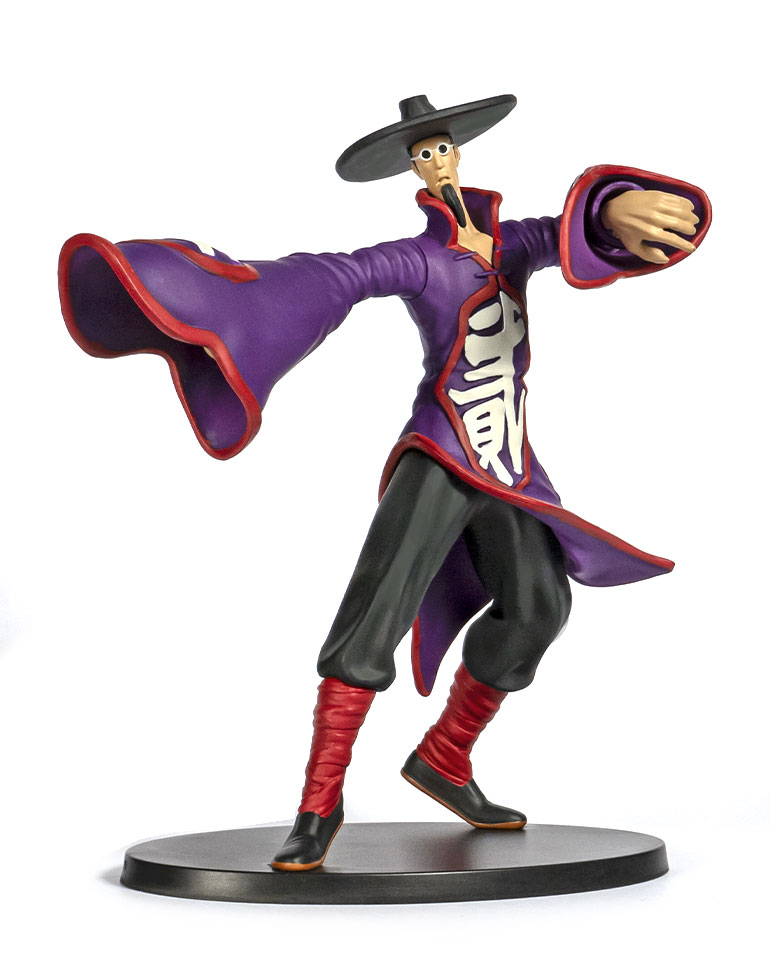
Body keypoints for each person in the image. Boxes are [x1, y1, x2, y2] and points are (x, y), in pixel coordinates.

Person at [58, 94, 711, 872]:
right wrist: (209, 295)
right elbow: (336, 274)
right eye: (421, 155)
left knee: (539, 608)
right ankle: (318, 807)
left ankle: (445, 757)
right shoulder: (418, 259)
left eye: (443, 149)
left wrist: (614, 207)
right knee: (373, 623)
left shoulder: (515, 242)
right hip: (440, 454)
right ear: (412, 170)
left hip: (508, 468)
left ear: (459, 153)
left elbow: (579, 231)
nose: (436, 162)